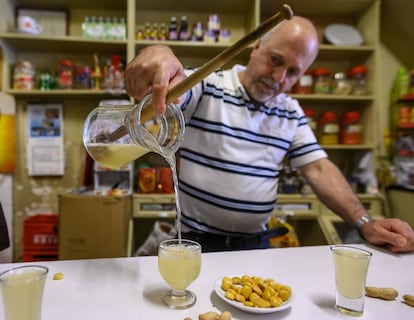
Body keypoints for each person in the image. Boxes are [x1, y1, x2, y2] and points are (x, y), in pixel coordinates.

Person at [125, 16, 414, 253]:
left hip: (257, 246)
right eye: (275, 60)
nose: (279, 78)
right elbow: (175, 89)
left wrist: (363, 222)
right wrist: (159, 52)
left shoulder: (291, 111)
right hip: (196, 243)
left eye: (293, 72)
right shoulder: (208, 85)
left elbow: (318, 168)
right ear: (257, 46)